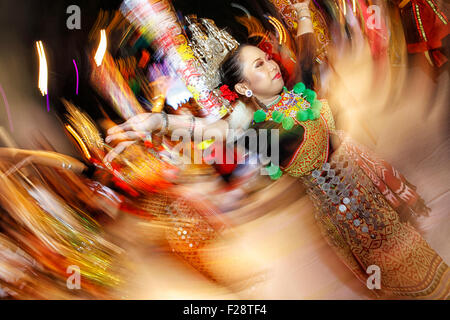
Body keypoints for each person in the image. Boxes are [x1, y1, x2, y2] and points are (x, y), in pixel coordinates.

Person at [105, 3, 449, 299]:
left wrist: (300, 12)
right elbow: (209, 129)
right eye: (258, 66)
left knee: (417, 256)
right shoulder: (259, 131)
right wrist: (157, 121)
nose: (270, 65)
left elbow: (307, 56)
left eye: (266, 58)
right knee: (400, 270)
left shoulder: (297, 94)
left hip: (370, 187)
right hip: (351, 214)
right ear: (242, 87)